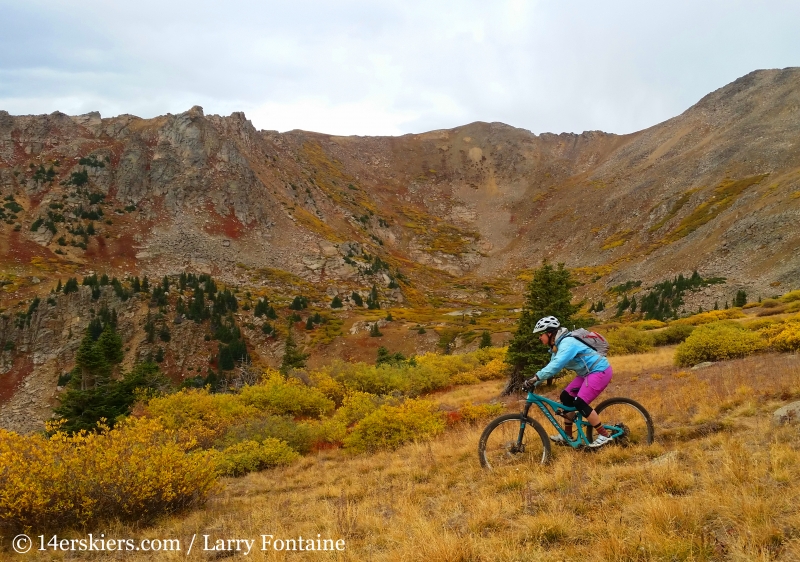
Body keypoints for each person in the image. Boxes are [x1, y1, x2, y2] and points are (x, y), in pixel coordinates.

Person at [521, 316, 613, 448]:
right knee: (566, 397)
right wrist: (533, 383)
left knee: (580, 402)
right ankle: (568, 436)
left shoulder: (567, 343)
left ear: (549, 332)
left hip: (599, 371)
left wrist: (535, 378)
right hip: (586, 373)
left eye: (541, 334)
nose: (539, 338)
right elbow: (550, 367)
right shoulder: (557, 347)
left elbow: (556, 365)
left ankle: (604, 435)